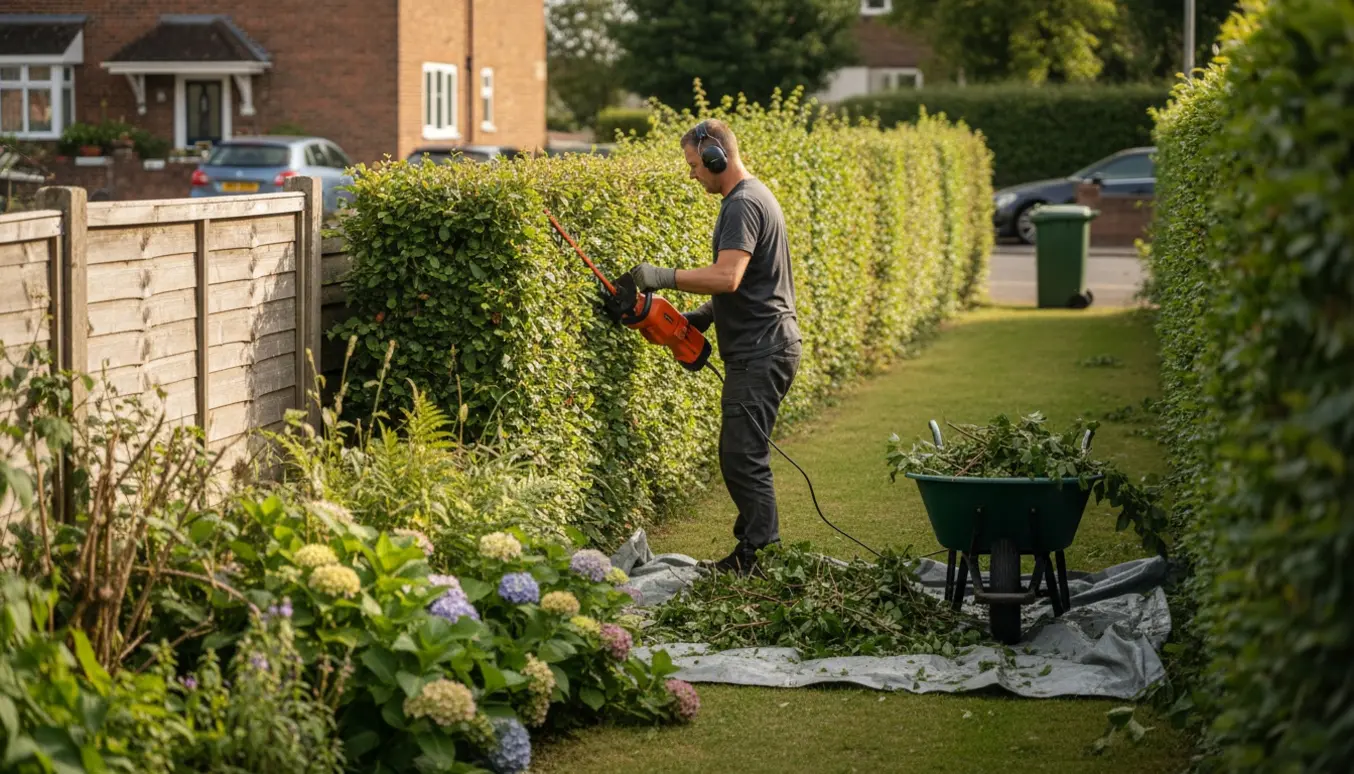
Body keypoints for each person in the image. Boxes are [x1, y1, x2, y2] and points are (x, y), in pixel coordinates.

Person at [627, 119, 801, 576]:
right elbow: (747, 287)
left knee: (743, 456)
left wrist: (662, 277)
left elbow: (729, 277)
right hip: (767, 345)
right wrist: (695, 320)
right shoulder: (751, 196)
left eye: (694, 165)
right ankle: (754, 551)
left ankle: (760, 557)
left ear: (715, 157)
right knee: (741, 453)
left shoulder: (743, 205)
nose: (692, 175)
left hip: (762, 350)